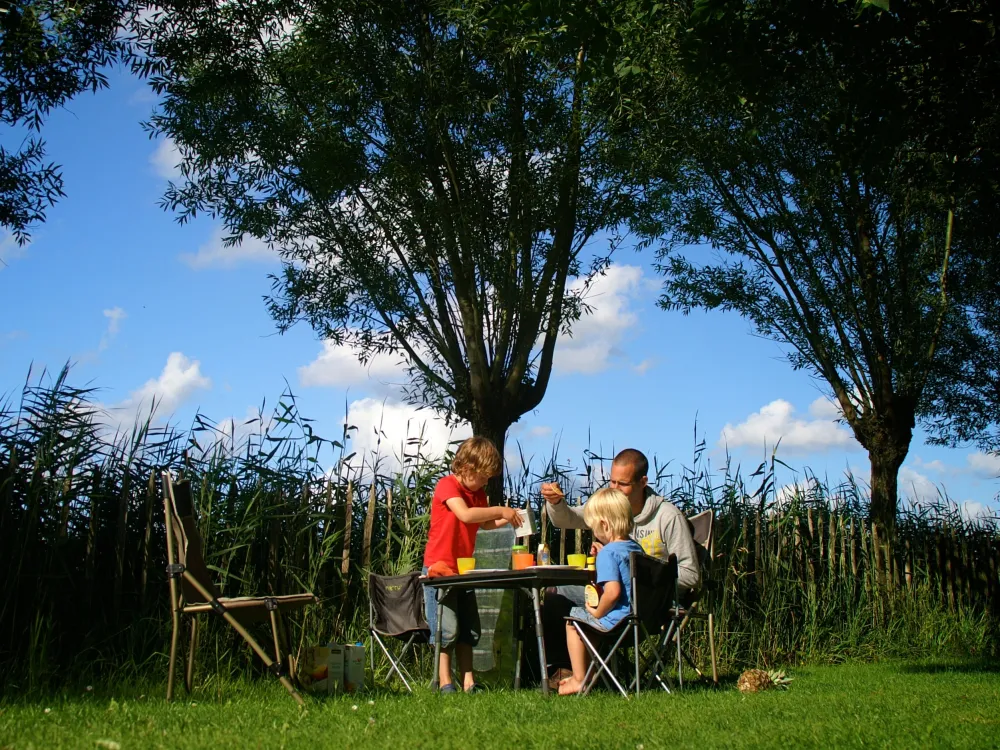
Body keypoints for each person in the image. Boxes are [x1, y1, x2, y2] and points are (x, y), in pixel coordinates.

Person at [540, 448, 701, 687]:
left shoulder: (668, 517)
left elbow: (691, 575)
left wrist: (645, 578)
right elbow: (568, 519)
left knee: (578, 606)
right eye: (611, 481)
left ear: (643, 482)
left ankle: (584, 674)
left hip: (652, 604)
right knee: (557, 593)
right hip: (617, 598)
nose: (614, 488)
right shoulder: (609, 507)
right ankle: (568, 669)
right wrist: (556, 502)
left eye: (622, 483)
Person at [423, 435, 523, 693]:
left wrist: (512, 518)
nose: (485, 482)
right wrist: (501, 510)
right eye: (483, 476)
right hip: (439, 569)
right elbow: (466, 515)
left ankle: (469, 682)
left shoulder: (477, 494)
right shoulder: (447, 486)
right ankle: (445, 682)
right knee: (447, 628)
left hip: (464, 569)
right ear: (467, 467)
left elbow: (485, 523)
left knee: (468, 628)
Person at [557, 487, 643, 695]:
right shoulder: (635, 548)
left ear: (604, 524)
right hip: (639, 620)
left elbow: (612, 593)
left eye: (593, 526)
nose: (593, 531)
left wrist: (597, 612)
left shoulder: (608, 555)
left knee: (574, 620)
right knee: (589, 626)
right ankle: (591, 673)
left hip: (618, 620)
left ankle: (579, 679)